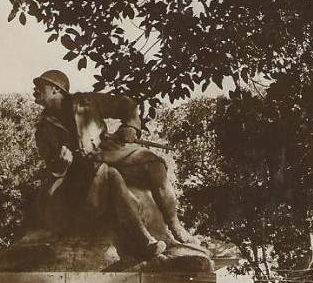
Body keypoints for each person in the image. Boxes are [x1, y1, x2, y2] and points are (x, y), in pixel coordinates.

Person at [32, 70, 196, 253]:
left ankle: (175, 226)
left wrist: (131, 127)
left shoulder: (86, 102)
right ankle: (144, 240)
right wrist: (60, 165)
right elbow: (51, 167)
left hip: (110, 151)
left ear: (56, 90)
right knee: (109, 174)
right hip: (80, 172)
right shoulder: (43, 129)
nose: (35, 90)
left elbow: (126, 105)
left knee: (155, 165)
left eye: (40, 86)